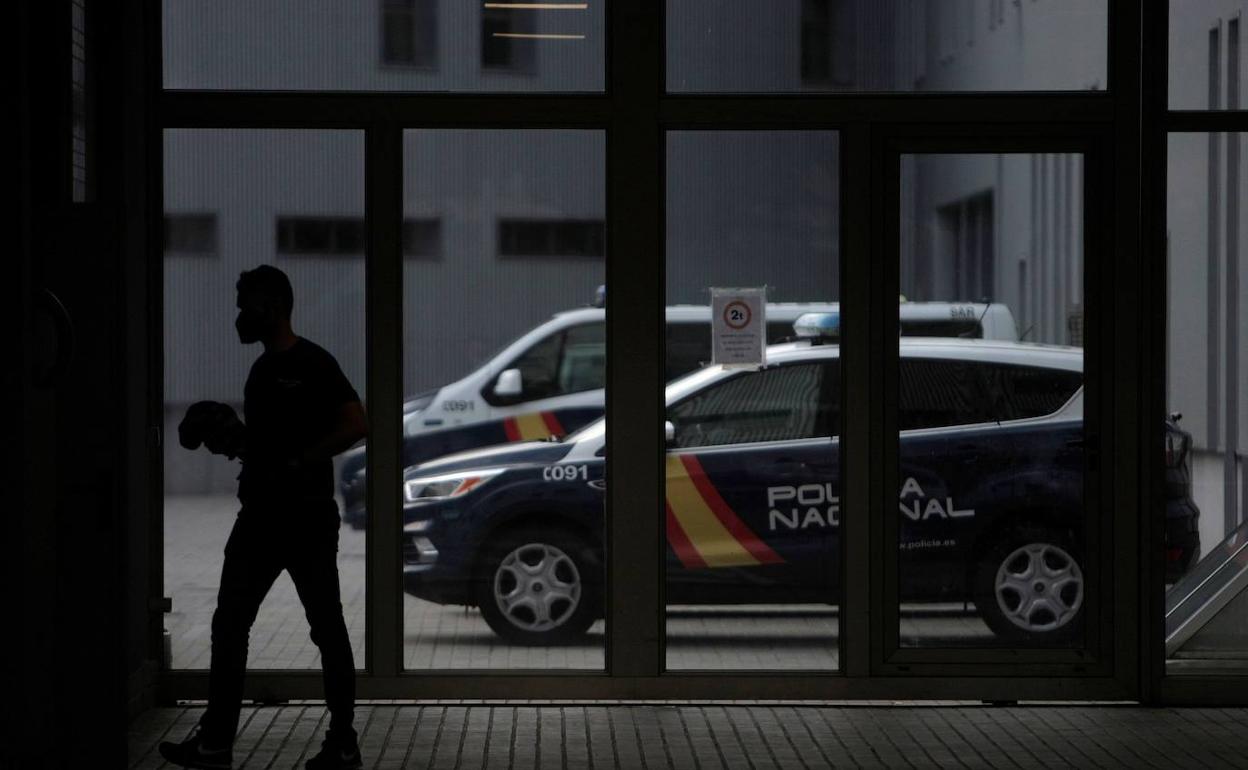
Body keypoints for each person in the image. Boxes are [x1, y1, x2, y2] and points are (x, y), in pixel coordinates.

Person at [161, 265, 368, 770]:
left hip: (305, 518)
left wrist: (299, 460)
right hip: (259, 518)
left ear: (271, 306)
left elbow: (355, 424)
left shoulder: (314, 362)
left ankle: (341, 743)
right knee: (231, 625)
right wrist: (236, 444)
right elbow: (265, 448)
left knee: (323, 628)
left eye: (244, 306)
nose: (238, 316)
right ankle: (216, 743)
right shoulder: (260, 372)